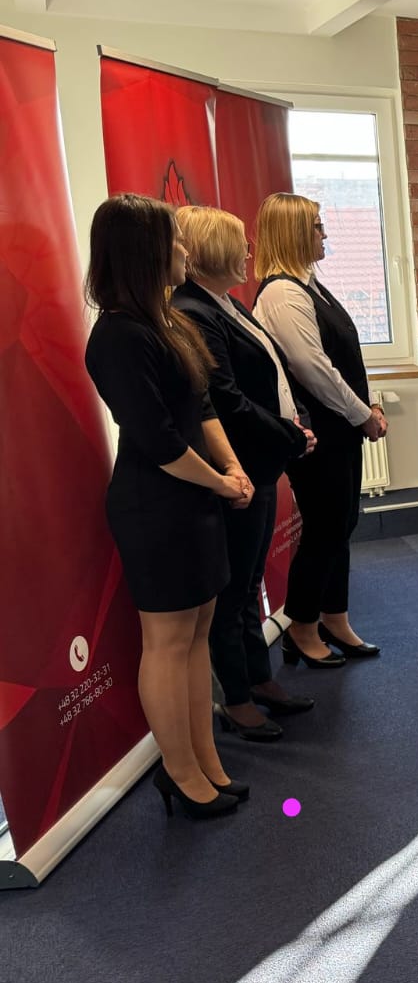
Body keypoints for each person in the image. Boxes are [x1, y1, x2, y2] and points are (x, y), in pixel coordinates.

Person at [83, 194, 249, 820]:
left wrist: (231, 469)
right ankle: (178, 771)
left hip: (193, 496)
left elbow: (202, 408)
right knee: (167, 640)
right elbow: (158, 442)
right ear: (144, 252)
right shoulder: (118, 337)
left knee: (198, 629)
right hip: (155, 505)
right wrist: (220, 484)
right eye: (174, 240)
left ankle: (205, 758)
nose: (184, 250)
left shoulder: (169, 322)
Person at [172, 206, 317, 741]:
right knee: (233, 594)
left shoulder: (226, 303)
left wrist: (293, 425)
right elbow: (226, 401)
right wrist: (289, 436)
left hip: (259, 462)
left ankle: (259, 680)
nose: (249, 253)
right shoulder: (192, 311)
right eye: (240, 244)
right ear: (213, 252)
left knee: (249, 584)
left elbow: (269, 374)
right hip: (236, 469)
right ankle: (236, 698)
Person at [253, 193, 386, 666]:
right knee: (325, 529)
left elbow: (341, 359)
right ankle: (302, 628)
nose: (325, 233)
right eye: (316, 225)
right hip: (319, 437)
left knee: (340, 524)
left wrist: (366, 406)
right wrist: (362, 414)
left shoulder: (311, 285)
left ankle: (335, 619)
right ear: (293, 233)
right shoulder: (282, 294)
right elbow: (313, 369)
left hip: (339, 430)